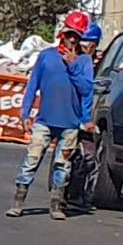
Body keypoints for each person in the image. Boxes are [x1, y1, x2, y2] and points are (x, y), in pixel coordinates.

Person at [12, 12, 99, 217]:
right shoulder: (47, 56)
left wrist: (73, 66)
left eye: (76, 37)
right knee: (32, 160)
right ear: (62, 34)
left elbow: (86, 90)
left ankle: (56, 204)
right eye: (69, 35)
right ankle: (19, 200)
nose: (71, 40)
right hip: (45, 120)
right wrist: (25, 113)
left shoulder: (84, 61)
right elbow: (33, 85)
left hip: (70, 122)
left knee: (63, 165)